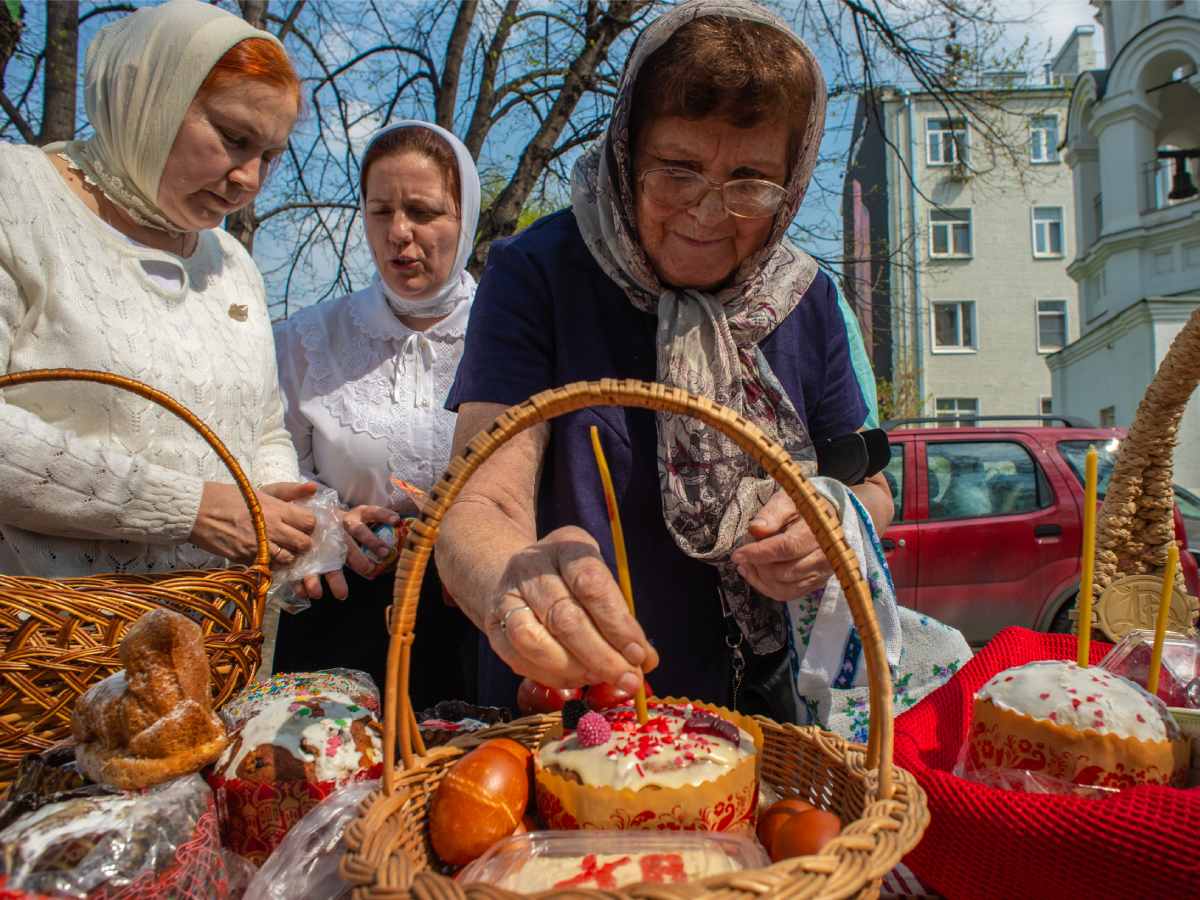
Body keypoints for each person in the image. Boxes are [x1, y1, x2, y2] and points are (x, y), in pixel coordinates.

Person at [437, 0, 892, 719]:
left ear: (793, 181)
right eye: (677, 171)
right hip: (577, 705)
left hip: (764, 708)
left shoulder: (804, 298)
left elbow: (870, 487)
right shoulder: (540, 273)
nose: (708, 214)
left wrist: (832, 524)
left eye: (750, 181)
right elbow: (479, 502)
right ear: (627, 152)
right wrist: (513, 581)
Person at [0, 0, 316, 580]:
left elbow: (264, 426)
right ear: (151, 100)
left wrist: (281, 508)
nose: (249, 179)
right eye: (233, 138)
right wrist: (189, 509)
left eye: (270, 156)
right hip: (39, 627)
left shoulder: (232, 264)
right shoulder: (17, 197)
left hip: (208, 626)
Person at [272, 122, 481, 706]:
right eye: (380, 211)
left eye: (423, 211)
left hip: (476, 614)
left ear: (466, 217)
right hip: (340, 611)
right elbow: (271, 462)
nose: (398, 233)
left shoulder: (509, 333)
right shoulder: (309, 338)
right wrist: (328, 524)